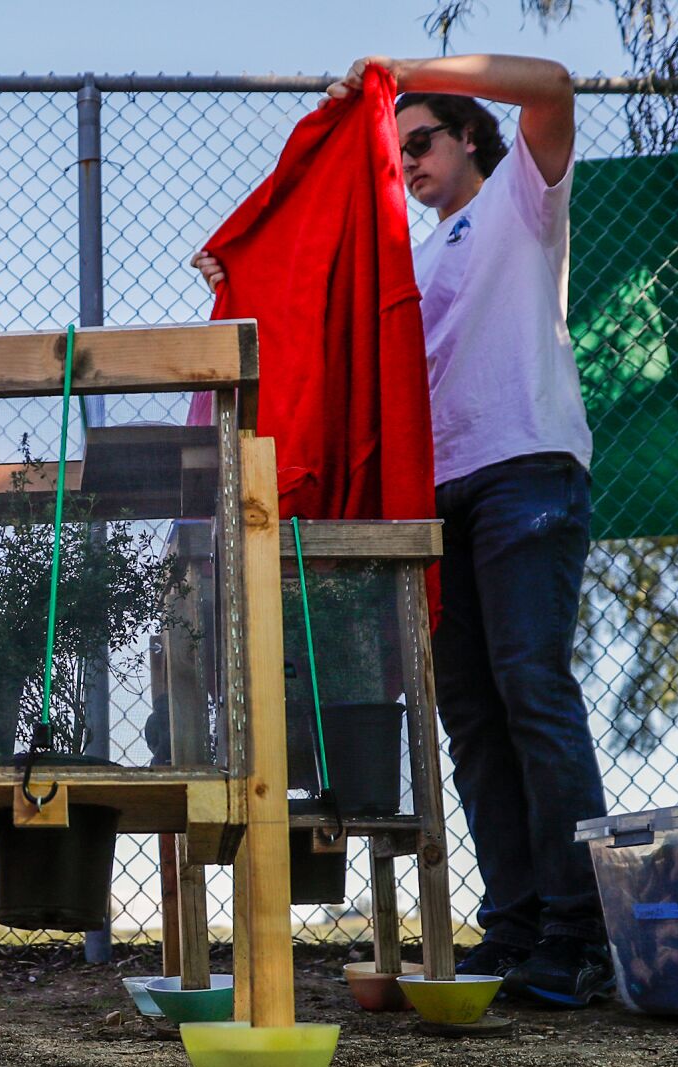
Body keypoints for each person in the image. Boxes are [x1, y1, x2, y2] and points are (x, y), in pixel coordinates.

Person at [192, 55, 613, 1005]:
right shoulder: (405, 264)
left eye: (419, 140)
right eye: (396, 147)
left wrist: (405, 72)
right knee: (467, 714)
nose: (408, 159)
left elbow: (551, 86)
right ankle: (512, 929)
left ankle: (580, 932)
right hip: (437, 498)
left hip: (525, 472)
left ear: (469, 135)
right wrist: (244, 270)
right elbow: (314, 321)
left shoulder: (522, 200)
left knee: (531, 687)